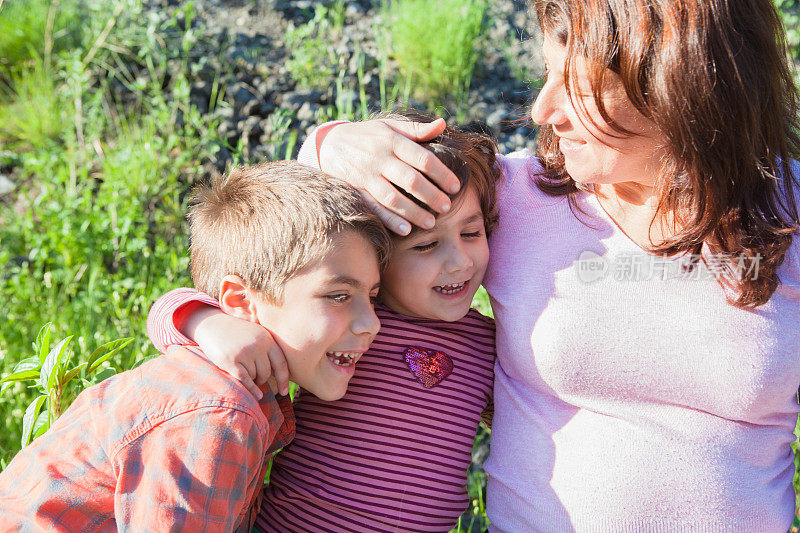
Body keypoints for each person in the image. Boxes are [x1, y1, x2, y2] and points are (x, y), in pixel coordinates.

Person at [292, 0, 800, 531]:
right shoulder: (506, 201)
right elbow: (293, 232)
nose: (542, 110)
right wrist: (332, 145)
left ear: (680, 88)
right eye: (546, 74)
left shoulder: (791, 218)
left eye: (577, 87)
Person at [145, 113, 501, 531]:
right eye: (425, 245)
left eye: (472, 234)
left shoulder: (489, 344)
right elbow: (166, 312)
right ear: (376, 255)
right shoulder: (347, 320)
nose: (458, 262)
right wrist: (209, 323)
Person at [0, 161, 390, 532]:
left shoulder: (230, 390)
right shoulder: (220, 412)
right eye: (338, 295)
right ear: (240, 302)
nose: (371, 323)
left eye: (372, 297)